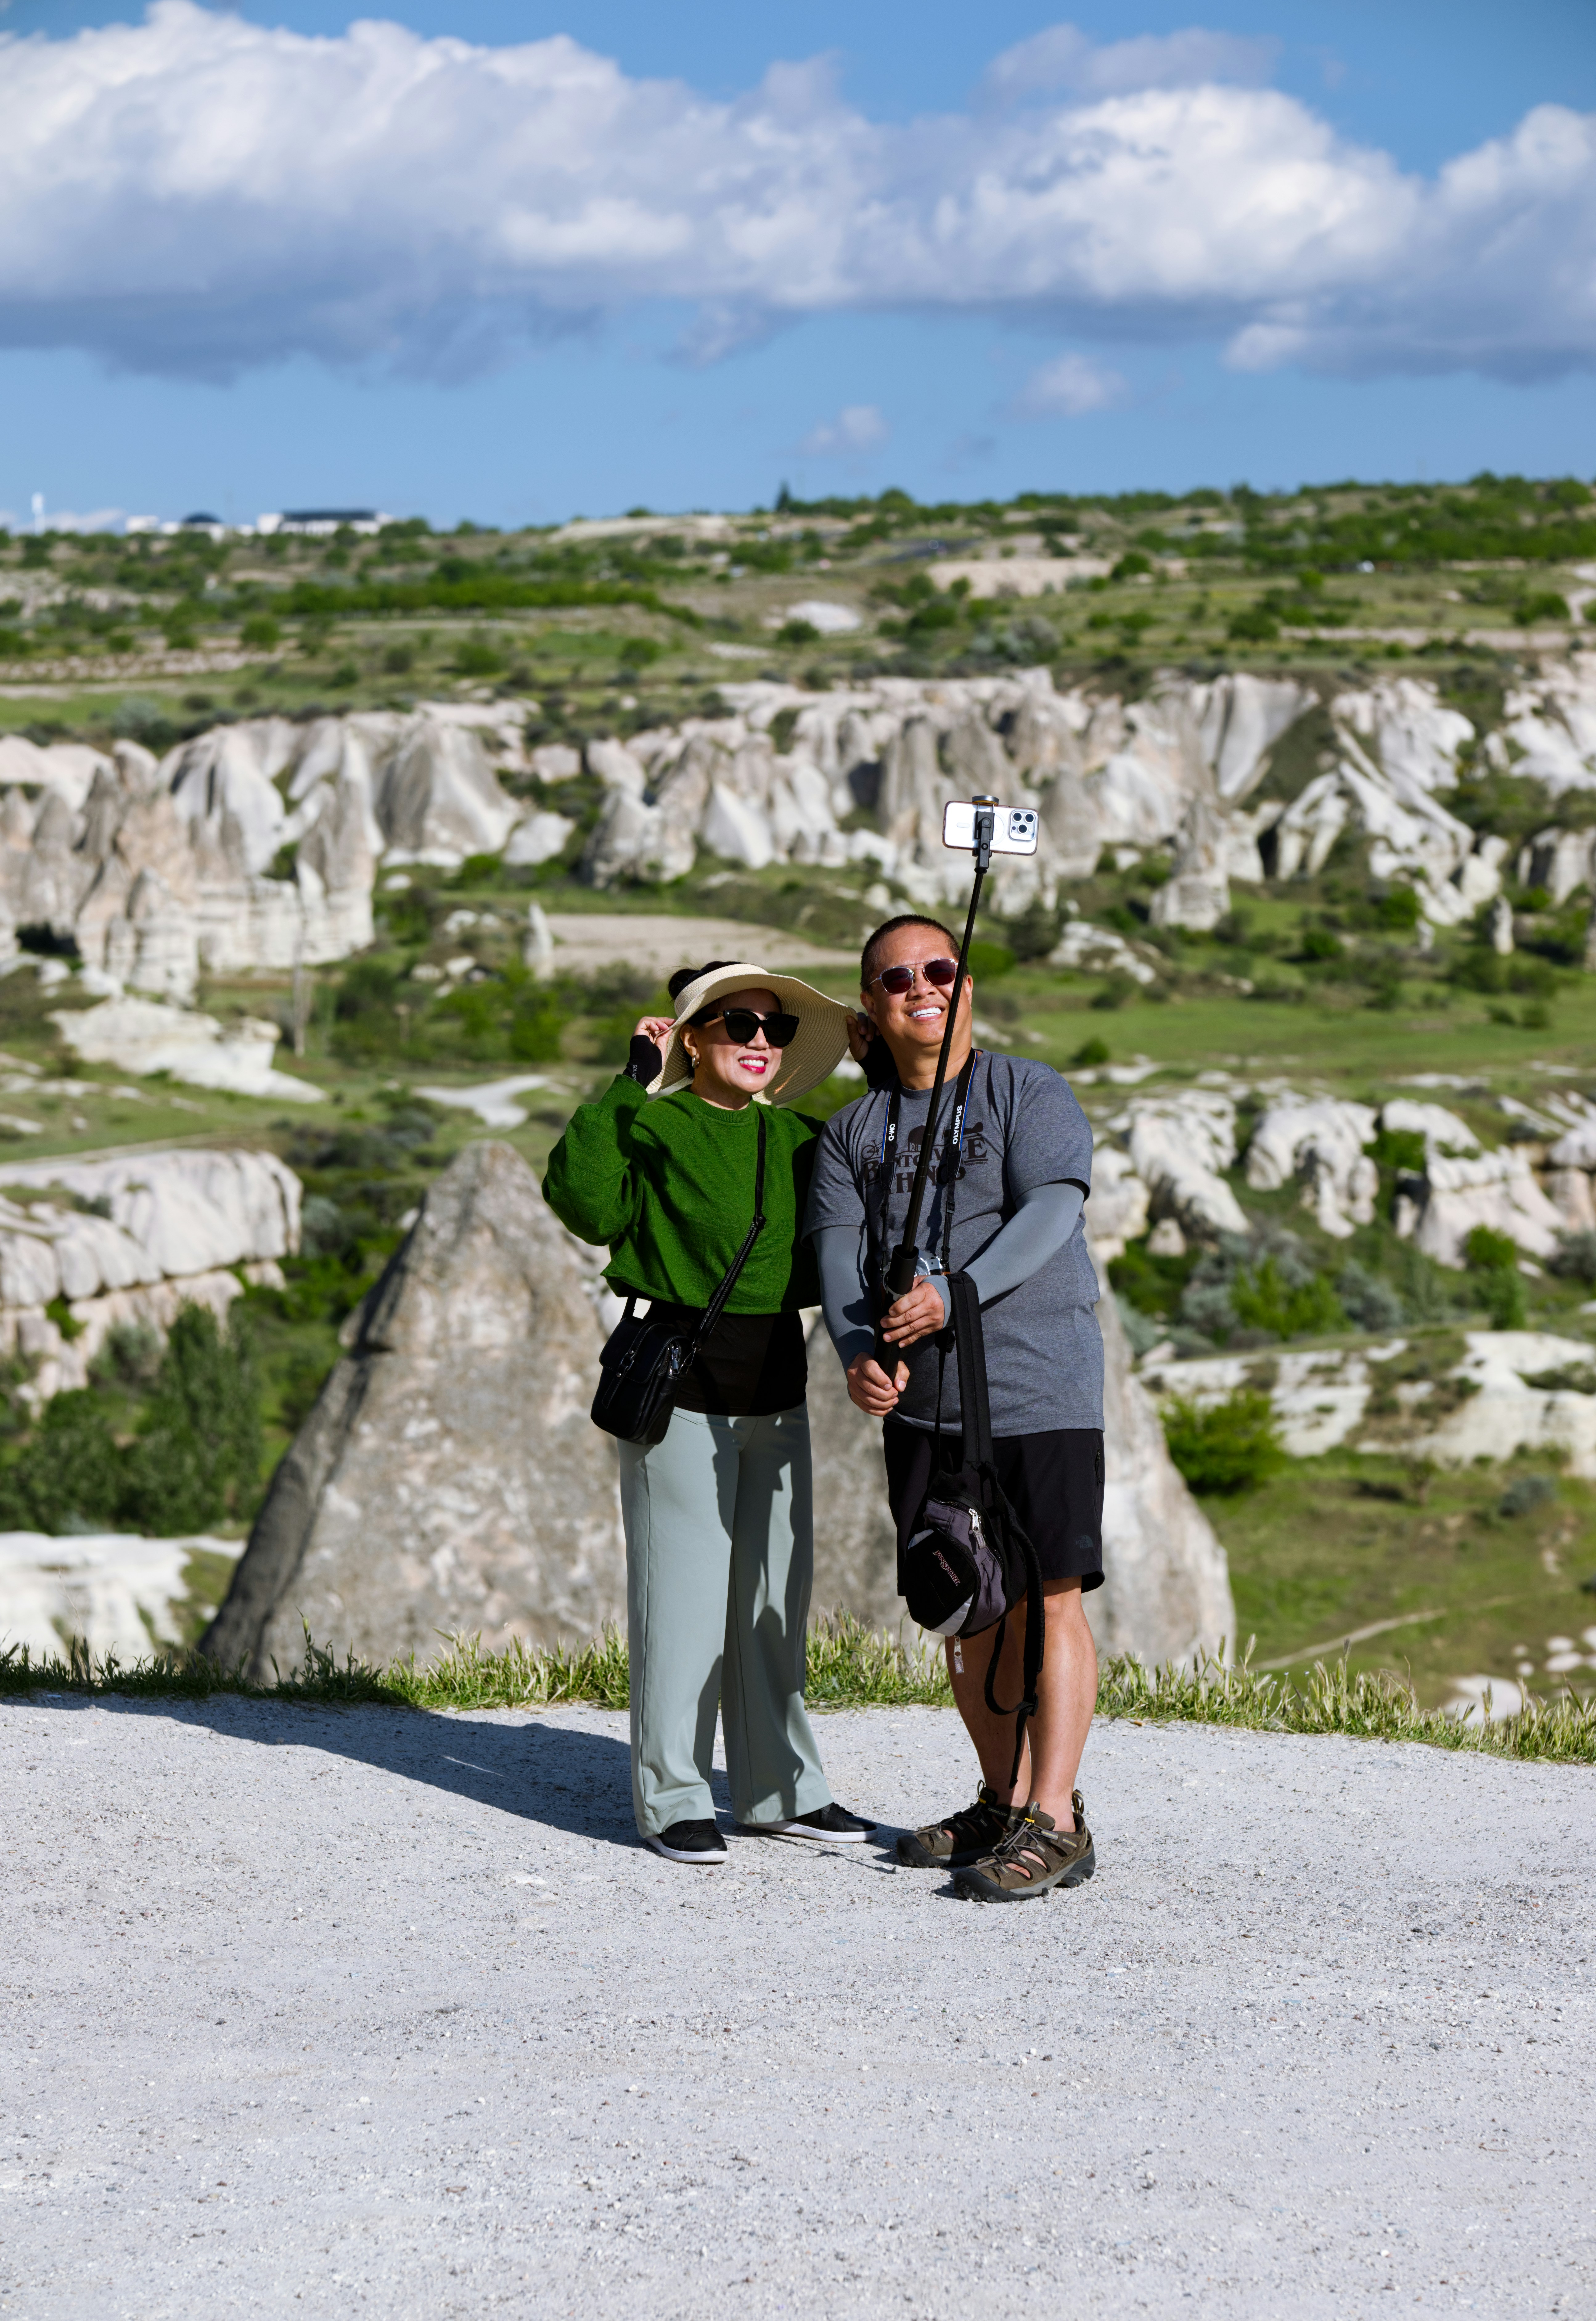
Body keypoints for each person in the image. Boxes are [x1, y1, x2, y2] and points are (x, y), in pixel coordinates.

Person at [544, 960, 875, 1867]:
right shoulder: (656, 1122)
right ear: (694, 1038)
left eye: (777, 1028)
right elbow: (583, 1200)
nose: (761, 1040)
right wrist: (630, 1082)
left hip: (776, 1385)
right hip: (681, 1386)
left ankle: (781, 1790)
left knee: (772, 1601)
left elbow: (861, 1221)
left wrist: (877, 1068)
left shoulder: (804, 1138)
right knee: (682, 1602)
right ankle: (673, 1798)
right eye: (739, 1024)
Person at [804, 914, 1104, 1902]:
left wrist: (956, 1292)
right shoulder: (852, 1133)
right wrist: (857, 1352)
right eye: (895, 979)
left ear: (966, 984)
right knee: (963, 1602)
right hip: (926, 1406)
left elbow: (1052, 1208)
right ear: (871, 1005)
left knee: (1049, 1596)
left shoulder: (1026, 1090)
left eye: (939, 968)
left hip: (1040, 1387)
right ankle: (1001, 1797)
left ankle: (1056, 1818)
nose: (920, 987)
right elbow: (838, 1257)